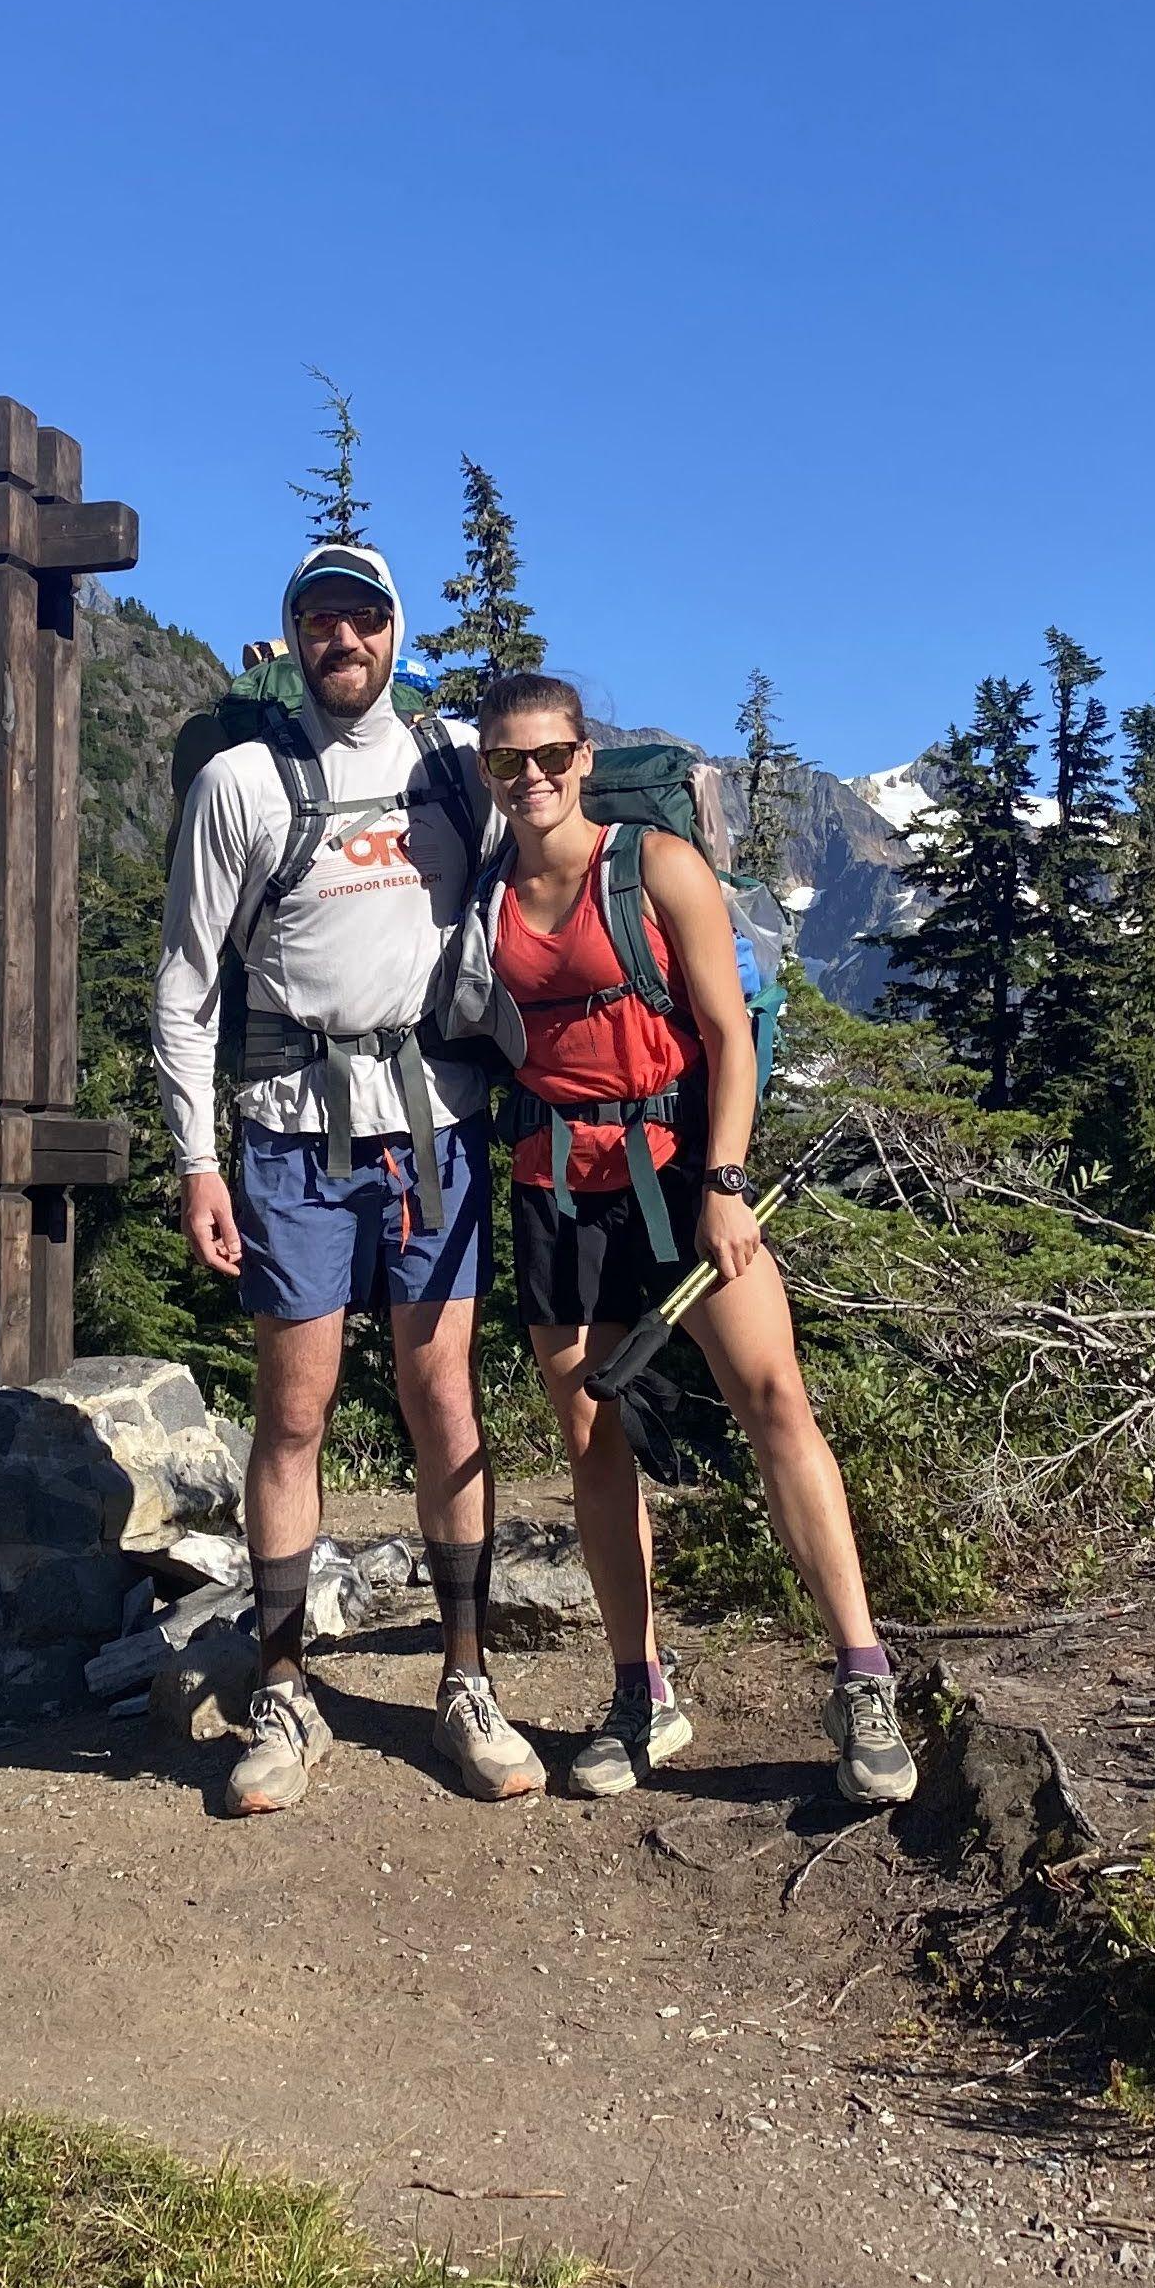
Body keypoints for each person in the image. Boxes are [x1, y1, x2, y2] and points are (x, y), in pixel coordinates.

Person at [452, 668, 918, 1810]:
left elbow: (726, 1033)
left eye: (551, 756)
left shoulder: (658, 867)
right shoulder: (482, 893)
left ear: (584, 757)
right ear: (489, 771)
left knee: (774, 1401)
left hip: (677, 1172)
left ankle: (863, 1677)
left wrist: (724, 1179)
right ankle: (639, 1690)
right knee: (592, 1440)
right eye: (508, 761)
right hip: (554, 1185)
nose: (532, 778)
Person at [154, 540, 537, 1813]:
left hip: (431, 1129)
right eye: (320, 622)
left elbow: (533, 887)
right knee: (295, 1414)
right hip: (285, 1137)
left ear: (394, 631)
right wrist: (196, 1161)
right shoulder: (240, 785)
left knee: (445, 1404)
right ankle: (282, 1690)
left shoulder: (448, 770)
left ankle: (465, 1681)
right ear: (296, 638)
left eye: (363, 620)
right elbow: (186, 987)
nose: (344, 642)